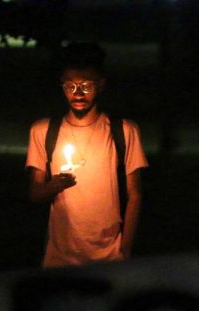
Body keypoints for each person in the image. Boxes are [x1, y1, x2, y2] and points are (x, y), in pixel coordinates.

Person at [26, 43, 148, 266]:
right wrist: (52, 186)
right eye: (69, 86)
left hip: (109, 256)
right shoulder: (42, 131)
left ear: (101, 85)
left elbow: (135, 195)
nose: (78, 93)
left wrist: (125, 249)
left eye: (86, 85)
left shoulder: (124, 131)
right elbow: (34, 193)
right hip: (59, 258)